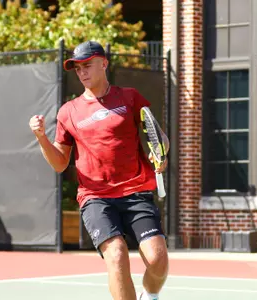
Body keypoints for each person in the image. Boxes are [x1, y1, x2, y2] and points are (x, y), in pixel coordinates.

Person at [29, 41, 169, 300]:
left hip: (136, 190)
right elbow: (60, 163)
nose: (82, 72)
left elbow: (156, 136)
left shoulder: (129, 97)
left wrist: (160, 155)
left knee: (158, 260)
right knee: (116, 254)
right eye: (77, 68)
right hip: (96, 197)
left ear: (104, 63)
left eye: (87, 65)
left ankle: (149, 297)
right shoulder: (68, 111)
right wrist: (41, 138)